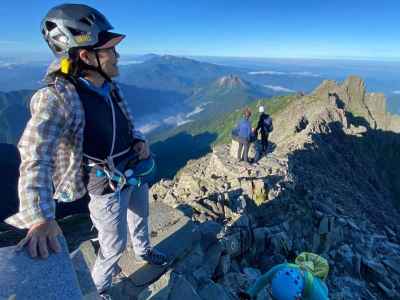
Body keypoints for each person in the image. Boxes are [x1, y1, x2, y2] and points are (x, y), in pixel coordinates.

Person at [5, 4, 167, 298]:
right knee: (113, 243)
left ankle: (143, 251)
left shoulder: (110, 88)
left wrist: (140, 140)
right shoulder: (57, 99)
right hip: (105, 185)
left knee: (141, 216)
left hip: (133, 171)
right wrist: (40, 217)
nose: (117, 55)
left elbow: (127, 124)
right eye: (109, 50)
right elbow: (35, 155)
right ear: (85, 55)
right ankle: (99, 287)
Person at [239, 252, 330, 300]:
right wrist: (249, 294)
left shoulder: (317, 293)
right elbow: (264, 279)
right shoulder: (280, 269)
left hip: (316, 287)